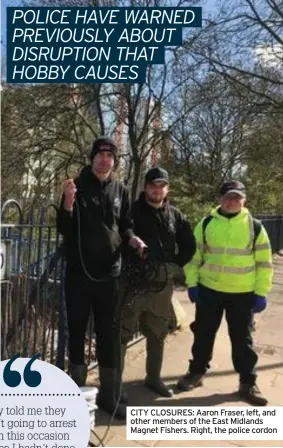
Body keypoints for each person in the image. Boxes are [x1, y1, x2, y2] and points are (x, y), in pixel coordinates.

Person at [56, 136, 146, 419]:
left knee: (108, 335)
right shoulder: (76, 186)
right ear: (91, 158)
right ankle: (76, 398)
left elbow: (126, 226)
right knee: (77, 332)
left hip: (110, 276)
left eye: (109, 155)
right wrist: (68, 203)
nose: (104, 159)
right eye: (100, 154)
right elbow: (64, 229)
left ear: (114, 161)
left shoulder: (120, 189)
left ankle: (109, 397)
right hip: (79, 276)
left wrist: (134, 241)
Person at [177, 180, 273, 406]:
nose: (232, 201)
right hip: (209, 290)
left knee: (242, 340)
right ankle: (196, 373)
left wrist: (261, 292)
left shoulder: (255, 226)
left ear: (244, 200)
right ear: (220, 199)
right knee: (202, 334)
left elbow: (264, 263)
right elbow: (194, 257)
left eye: (237, 198)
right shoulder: (206, 223)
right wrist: (192, 284)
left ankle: (248, 382)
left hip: (243, 294)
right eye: (228, 197)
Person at [120, 167, 196, 398]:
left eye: (161, 185)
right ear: (145, 187)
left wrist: (174, 266)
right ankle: (115, 386)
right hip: (134, 286)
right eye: (152, 185)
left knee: (158, 333)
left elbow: (189, 245)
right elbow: (124, 234)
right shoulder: (131, 211)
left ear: (167, 188)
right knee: (122, 335)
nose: (157, 190)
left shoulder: (175, 215)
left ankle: (153, 378)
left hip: (162, 288)